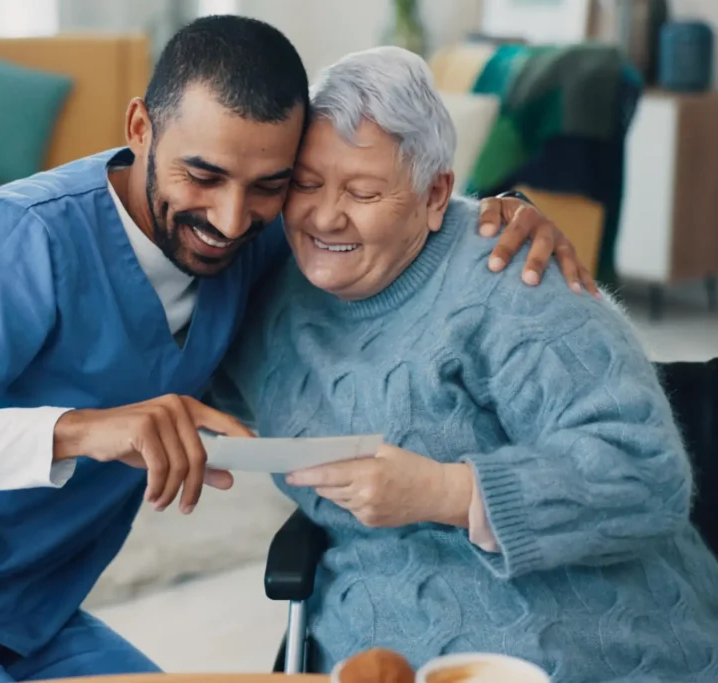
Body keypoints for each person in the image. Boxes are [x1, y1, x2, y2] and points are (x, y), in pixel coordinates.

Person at [0, 17, 595, 683]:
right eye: (203, 176)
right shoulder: (21, 240)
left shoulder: (254, 238)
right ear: (140, 127)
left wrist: (498, 211)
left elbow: (379, 211)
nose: (232, 218)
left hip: (36, 621)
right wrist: (88, 429)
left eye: (269, 184)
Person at [211, 46, 718, 683]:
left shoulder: (515, 278)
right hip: (375, 647)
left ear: (436, 194)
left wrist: (446, 492)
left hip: (588, 644)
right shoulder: (271, 289)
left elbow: (648, 473)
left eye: (363, 191)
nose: (324, 215)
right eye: (306, 183)